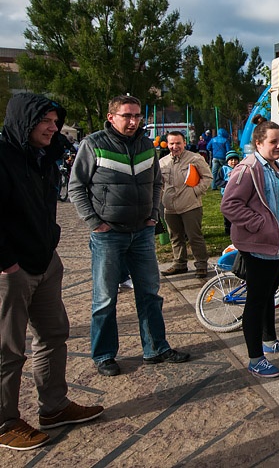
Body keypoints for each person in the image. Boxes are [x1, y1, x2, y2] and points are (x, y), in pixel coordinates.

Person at [0, 94, 104, 451]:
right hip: (11, 270)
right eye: (44, 120)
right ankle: (4, 422)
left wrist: (50, 247)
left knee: (54, 334)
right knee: (8, 349)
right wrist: (7, 263)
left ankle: (54, 408)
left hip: (44, 261)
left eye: (55, 121)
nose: (53, 127)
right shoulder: (3, 156)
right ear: (24, 122)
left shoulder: (45, 155)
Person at [69, 95, 190, 377]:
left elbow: (156, 183)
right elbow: (77, 188)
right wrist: (94, 222)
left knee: (150, 294)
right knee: (105, 298)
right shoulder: (93, 144)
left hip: (142, 233)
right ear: (111, 117)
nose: (134, 121)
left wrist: (153, 215)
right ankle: (104, 355)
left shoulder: (146, 145)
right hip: (108, 235)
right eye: (127, 116)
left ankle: (156, 348)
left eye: (137, 116)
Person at [221, 117, 279, 378]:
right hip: (260, 246)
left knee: (269, 295)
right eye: (273, 141)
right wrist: (260, 224)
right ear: (258, 143)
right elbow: (230, 205)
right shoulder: (247, 169)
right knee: (256, 301)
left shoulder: (275, 167)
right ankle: (256, 357)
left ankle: (270, 341)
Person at [159, 131, 213, 279]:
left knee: (194, 236)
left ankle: (201, 265)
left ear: (184, 143)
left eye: (178, 143)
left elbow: (207, 177)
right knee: (175, 237)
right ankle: (179, 264)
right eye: (172, 143)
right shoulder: (162, 162)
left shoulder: (194, 159)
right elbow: (159, 184)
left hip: (190, 206)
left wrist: (195, 192)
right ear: (167, 144)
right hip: (170, 207)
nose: (175, 146)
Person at [221, 150, 241, 236]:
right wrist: (226, 184)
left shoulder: (240, 168)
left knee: (238, 211)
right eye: (231, 160)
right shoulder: (223, 169)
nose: (233, 162)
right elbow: (218, 181)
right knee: (227, 211)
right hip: (226, 195)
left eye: (235, 160)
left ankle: (238, 228)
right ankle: (228, 228)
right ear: (227, 161)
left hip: (238, 194)